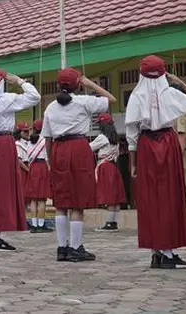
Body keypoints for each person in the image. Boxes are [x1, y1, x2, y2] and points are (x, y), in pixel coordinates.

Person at [125, 55, 186, 270]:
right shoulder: (170, 93)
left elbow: (131, 133)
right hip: (167, 144)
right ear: (163, 73)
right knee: (169, 196)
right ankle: (168, 253)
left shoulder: (136, 95)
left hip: (145, 146)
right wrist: (181, 83)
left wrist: (133, 163)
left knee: (151, 198)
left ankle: (156, 253)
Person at [42, 69, 114, 262]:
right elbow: (111, 99)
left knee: (61, 202)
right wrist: (89, 83)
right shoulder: (84, 101)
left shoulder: (50, 108)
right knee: (77, 201)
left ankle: (61, 248)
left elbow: (47, 139)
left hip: (58, 150)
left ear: (58, 86)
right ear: (78, 85)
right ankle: (75, 248)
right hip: (78, 148)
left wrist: (50, 160)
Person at [0, 67, 40, 252]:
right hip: (3, 144)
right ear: (1, 83)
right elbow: (35, 97)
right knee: (2, 191)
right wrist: (19, 81)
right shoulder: (5, 99)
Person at [90, 113, 126, 233]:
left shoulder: (102, 137)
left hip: (104, 167)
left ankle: (109, 224)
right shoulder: (115, 138)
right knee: (115, 197)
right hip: (113, 166)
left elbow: (90, 147)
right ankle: (114, 222)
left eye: (100, 124)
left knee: (109, 196)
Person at [25, 119, 52, 233]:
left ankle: (34, 224)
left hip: (33, 168)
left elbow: (28, 157)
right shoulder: (44, 141)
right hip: (42, 167)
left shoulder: (29, 142)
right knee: (41, 199)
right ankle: (41, 225)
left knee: (33, 199)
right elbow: (47, 158)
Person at [14, 122, 32, 215]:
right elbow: (19, 160)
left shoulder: (27, 143)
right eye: (25, 131)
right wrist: (28, 170)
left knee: (28, 194)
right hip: (23, 170)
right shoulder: (17, 144)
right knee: (23, 194)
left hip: (27, 168)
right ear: (19, 132)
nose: (27, 133)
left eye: (28, 131)